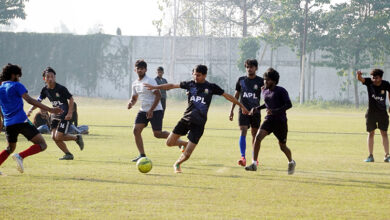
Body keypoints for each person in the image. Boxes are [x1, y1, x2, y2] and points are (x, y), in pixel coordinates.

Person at [144, 64, 249, 173]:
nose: (195, 77)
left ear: (204, 75)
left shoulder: (211, 87)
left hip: (199, 124)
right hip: (185, 120)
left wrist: (241, 106)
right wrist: (156, 87)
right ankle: (183, 143)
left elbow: (228, 96)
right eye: (194, 75)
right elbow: (171, 85)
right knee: (169, 143)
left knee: (188, 154)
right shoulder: (190, 84)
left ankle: (177, 164)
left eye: (198, 75)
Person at [0, 63, 63, 175]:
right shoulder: (16, 85)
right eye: (18, 76)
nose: (19, 78)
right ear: (13, 75)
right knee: (42, 144)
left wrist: (2, 120)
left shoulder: (0, 88)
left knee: (10, 148)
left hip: (8, 124)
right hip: (22, 121)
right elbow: (30, 100)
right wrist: (50, 109)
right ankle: (20, 156)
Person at [245, 68, 296, 175]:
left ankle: (291, 162)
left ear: (274, 81)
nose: (265, 82)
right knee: (258, 138)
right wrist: (257, 108)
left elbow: (289, 105)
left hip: (280, 122)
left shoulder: (281, 91)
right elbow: (267, 104)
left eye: (267, 80)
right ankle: (254, 164)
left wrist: (275, 111)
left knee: (282, 146)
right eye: (264, 79)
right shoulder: (264, 90)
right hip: (269, 120)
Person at [127, 60, 180, 162]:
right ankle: (142, 155)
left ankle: (178, 140)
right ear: (135, 70)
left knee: (157, 134)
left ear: (145, 70)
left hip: (155, 110)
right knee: (136, 130)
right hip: (143, 110)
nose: (140, 70)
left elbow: (158, 95)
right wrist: (131, 103)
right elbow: (134, 98)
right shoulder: (135, 83)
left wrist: (151, 110)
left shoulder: (150, 81)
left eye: (142, 68)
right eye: (138, 68)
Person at [27, 67, 84, 160]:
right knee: (54, 137)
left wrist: (69, 113)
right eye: (48, 77)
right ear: (44, 79)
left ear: (55, 77)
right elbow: (38, 101)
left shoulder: (61, 88)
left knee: (58, 136)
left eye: (52, 76)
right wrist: (30, 109)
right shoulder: (44, 90)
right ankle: (68, 154)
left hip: (64, 115)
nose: (50, 78)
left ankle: (76, 138)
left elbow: (71, 99)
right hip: (54, 115)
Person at [229, 59, 264, 167]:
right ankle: (243, 157)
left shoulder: (261, 81)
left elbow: (267, 94)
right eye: (247, 67)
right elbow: (236, 96)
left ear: (256, 68)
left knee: (255, 134)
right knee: (243, 130)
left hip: (255, 111)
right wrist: (231, 110)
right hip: (243, 110)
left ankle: (254, 158)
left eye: (251, 67)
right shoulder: (241, 80)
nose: (249, 69)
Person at [357, 69, 390, 162]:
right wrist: (358, 75)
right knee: (371, 133)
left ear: (381, 78)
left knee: (384, 133)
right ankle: (370, 156)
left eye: (376, 78)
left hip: (382, 113)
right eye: (373, 77)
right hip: (371, 113)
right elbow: (361, 79)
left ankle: (387, 155)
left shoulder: (386, 84)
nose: (374, 80)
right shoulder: (369, 82)